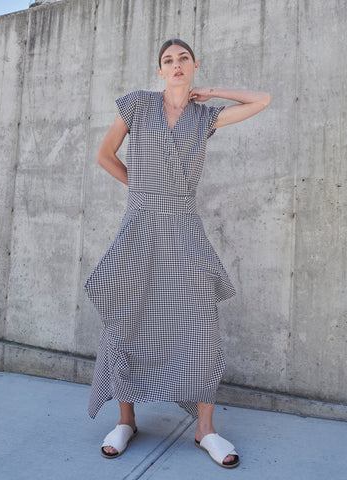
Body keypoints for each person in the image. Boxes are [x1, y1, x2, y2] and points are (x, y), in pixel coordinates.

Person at [84, 38, 271, 469]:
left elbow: (263, 99)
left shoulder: (206, 116)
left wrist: (216, 91)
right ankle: (126, 420)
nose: (176, 65)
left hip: (184, 231)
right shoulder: (137, 105)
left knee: (201, 327)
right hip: (140, 228)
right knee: (124, 318)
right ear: (159, 70)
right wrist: (142, 190)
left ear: (194, 65)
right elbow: (104, 155)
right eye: (168, 60)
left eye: (183, 58)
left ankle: (205, 430)